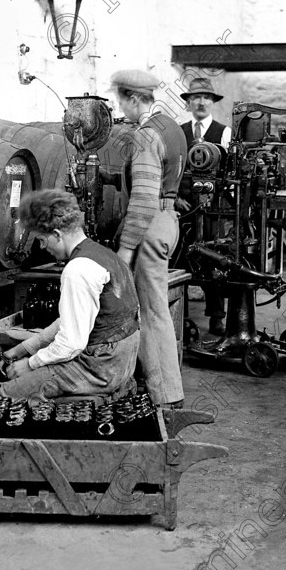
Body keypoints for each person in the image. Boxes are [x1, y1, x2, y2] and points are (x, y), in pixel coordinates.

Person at [0, 189, 140, 406]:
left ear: (57, 234)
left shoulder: (77, 269)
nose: (43, 248)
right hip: (119, 363)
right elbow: (71, 320)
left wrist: (30, 364)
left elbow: (71, 343)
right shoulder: (105, 255)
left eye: (42, 240)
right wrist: (22, 349)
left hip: (98, 369)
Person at [109, 69, 187, 408]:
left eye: (122, 101)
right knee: (155, 308)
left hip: (149, 225)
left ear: (134, 99)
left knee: (151, 311)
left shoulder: (144, 136)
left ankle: (165, 396)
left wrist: (124, 251)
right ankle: (159, 388)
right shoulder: (172, 127)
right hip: (169, 220)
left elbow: (141, 200)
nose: (121, 109)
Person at [179, 77, 232, 336]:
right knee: (180, 257)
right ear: (188, 103)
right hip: (183, 208)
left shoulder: (223, 132)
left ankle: (216, 316)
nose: (201, 102)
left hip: (213, 209)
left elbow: (229, 172)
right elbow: (174, 170)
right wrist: (176, 198)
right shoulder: (179, 132)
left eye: (206, 98)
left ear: (212, 103)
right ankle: (181, 313)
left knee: (215, 259)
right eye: (196, 98)